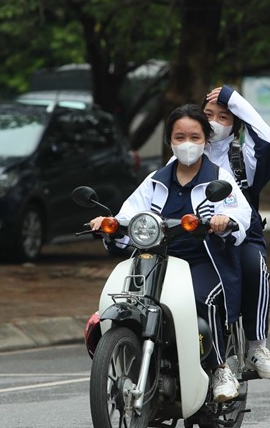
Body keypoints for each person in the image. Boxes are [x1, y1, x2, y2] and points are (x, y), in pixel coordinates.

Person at [89, 104, 253, 402]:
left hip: (205, 262)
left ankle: (219, 369)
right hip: (155, 263)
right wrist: (108, 224)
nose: (187, 143)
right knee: (128, 302)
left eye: (194, 136)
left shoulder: (220, 179)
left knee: (201, 301)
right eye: (180, 136)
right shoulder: (154, 181)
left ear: (205, 139)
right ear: (170, 141)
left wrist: (224, 221)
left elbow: (240, 215)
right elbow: (129, 217)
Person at [201, 85, 270, 379]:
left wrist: (234, 100)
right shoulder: (183, 158)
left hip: (241, 235)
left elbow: (269, 145)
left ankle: (256, 346)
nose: (213, 122)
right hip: (194, 237)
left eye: (223, 117)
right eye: (208, 115)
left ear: (235, 127)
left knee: (254, 265)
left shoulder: (241, 160)